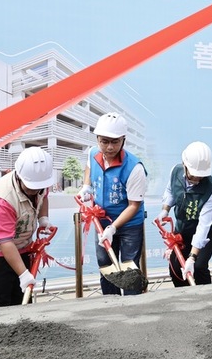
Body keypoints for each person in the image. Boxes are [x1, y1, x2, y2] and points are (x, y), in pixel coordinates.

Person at [77, 112, 147, 295]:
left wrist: (114, 228)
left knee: (129, 268)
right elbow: (88, 167)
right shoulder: (93, 153)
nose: (109, 147)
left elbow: (134, 205)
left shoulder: (134, 168)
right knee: (106, 264)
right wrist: (86, 186)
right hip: (102, 221)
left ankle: (134, 307)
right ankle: (111, 303)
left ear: (123, 140)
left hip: (129, 225)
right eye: (104, 141)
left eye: (115, 142)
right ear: (97, 138)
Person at [0, 147, 55, 307]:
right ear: (19, 176)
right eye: (31, 187)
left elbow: (44, 195)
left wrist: (43, 219)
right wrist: (23, 274)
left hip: (21, 247)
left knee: (20, 301)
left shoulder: (39, 181)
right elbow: (4, 241)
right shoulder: (1, 199)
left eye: (38, 187)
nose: (35, 191)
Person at [156, 141, 212, 286]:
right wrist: (165, 209)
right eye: (194, 175)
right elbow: (170, 191)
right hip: (183, 227)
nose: (198, 179)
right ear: (184, 165)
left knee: (198, 267)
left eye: (201, 176)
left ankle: (207, 297)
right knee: (175, 265)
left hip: (207, 231)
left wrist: (192, 257)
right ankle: (185, 298)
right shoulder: (176, 171)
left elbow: (203, 227)